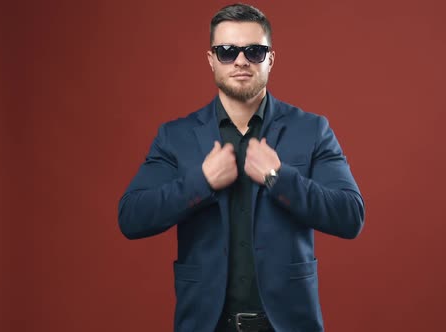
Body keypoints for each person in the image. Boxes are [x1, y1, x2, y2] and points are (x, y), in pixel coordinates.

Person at [118, 3, 365, 332]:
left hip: (288, 325)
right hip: (205, 325)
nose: (240, 61)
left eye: (254, 51)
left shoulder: (312, 130)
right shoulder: (175, 136)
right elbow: (131, 217)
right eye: (226, 51)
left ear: (271, 59)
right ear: (211, 60)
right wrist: (202, 182)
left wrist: (278, 178)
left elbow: (350, 216)